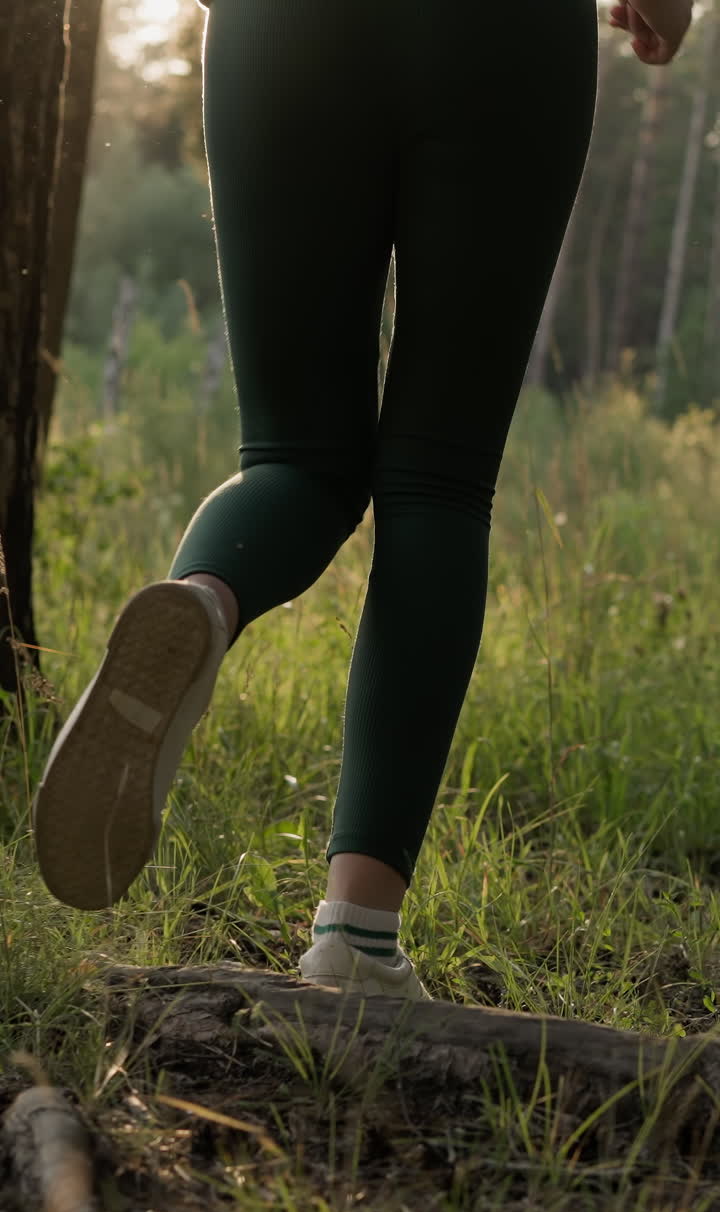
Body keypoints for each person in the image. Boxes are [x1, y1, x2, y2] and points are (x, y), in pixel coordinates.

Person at [33, 0, 692, 999]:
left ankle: (201, 606)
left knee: (294, 461)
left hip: (285, 26)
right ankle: (359, 936)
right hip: (504, 39)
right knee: (438, 481)